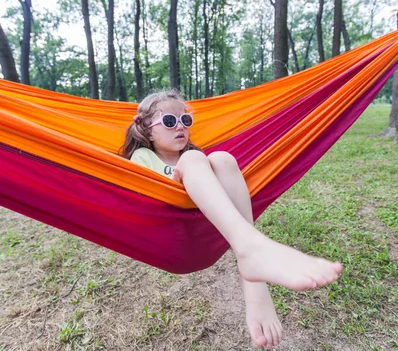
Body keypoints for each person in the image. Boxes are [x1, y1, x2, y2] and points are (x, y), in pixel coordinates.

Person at [122, 90, 343, 348]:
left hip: (208, 225)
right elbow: (142, 196)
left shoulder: (199, 159)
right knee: (194, 157)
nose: (180, 127)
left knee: (223, 158)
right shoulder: (144, 157)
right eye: (169, 121)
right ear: (147, 130)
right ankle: (252, 254)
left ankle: (253, 278)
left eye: (186, 120)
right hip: (173, 231)